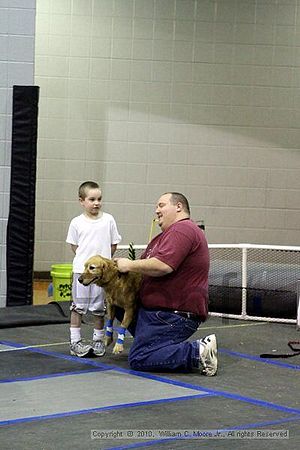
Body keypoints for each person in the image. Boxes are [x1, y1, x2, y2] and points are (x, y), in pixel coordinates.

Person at [116, 192, 217, 376]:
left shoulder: (183, 230)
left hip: (172, 315)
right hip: (157, 312)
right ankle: (152, 344)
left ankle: (197, 352)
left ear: (178, 207)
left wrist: (128, 264)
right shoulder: (163, 237)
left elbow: (163, 265)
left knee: (140, 358)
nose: (156, 211)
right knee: (117, 304)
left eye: (161, 205)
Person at [66, 181, 121, 357]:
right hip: (82, 273)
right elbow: (75, 246)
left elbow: (113, 244)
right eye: (92, 199)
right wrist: (85, 263)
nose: (96, 203)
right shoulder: (76, 222)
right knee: (78, 306)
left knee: (99, 307)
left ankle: (99, 340)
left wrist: (102, 265)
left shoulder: (109, 220)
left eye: (99, 199)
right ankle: (75, 341)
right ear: (82, 201)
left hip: (101, 276)